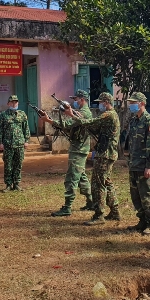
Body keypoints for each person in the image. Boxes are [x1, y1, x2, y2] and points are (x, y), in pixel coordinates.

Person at [65, 92, 120, 226]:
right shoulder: (111, 115)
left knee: (98, 184)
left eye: (100, 102)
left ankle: (99, 215)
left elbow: (92, 122)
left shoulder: (108, 114)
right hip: (107, 153)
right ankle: (115, 211)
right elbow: (94, 128)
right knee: (106, 182)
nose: (99, 105)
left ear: (106, 102)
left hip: (105, 154)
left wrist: (73, 115)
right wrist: (79, 118)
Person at [43, 89, 94, 217]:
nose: (74, 102)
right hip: (78, 148)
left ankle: (67, 207)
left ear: (82, 99)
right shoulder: (81, 112)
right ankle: (91, 201)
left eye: (76, 99)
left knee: (72, 177)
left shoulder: (84, 113)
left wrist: (49, 121)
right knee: (81, 176)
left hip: (79, 149)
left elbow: (67, 124)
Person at [125, 92, 150, 236]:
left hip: (144, 165)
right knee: (136, 195)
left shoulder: (149, 121)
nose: (131, 105)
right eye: (131, 102)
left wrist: (149, 165)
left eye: (134, 102)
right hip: (134, 163)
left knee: (147, 195)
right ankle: (142, 220)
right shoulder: (134, 120)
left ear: (142, 103)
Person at [0, 94, 30, 192]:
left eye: (15, 102)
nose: (14, 104)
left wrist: (26, 141)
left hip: (19, 144)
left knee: (18, 164)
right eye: (12, 102)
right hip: (8, 144)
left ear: (18, 103)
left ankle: (16, 184)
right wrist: (0, 142)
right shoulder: (3, 115)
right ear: (8, 103)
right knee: (8, 165)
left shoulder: (22, 114)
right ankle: (8, 184)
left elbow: (26, 128)